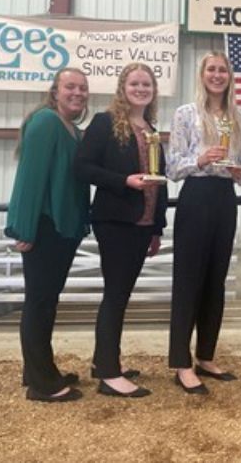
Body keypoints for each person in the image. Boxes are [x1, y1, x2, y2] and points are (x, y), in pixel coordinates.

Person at [75, 62, 167, 398]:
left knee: (121, 294)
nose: (141, 89)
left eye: (147, 84)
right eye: (135, 83)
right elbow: (82, 167)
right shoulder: (104, 123)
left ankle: (104, 361)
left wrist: (157, 227)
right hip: (115, 221)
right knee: (115, 294)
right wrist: (123, 182)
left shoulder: (150, 127)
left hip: (143, 225)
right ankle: (109, 375)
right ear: (122, 88)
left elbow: (160, 182)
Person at [166, 51, 241, 395]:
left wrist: (238, 171)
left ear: (230, 76)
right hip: (195, 195)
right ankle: (181, 363)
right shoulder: (186, 114)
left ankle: (205, 355)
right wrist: (200, 159)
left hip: (224, 197)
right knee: (189, 280)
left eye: (223, 70)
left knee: (216, 279)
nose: (217, 75)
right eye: (211, 69)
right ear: (201, 75)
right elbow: (172, 167)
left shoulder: (239, 118)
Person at [5, 68, 90, 403]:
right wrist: (23, 228)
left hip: (62, 227)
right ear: (55, 91)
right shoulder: (45, 122)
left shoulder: (74, 131)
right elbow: (29, 179)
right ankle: (42, 383)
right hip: (43, 226)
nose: (77, 93)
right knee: (39, 302)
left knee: (47, 301)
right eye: (70, 87)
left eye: (82, 88)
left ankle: (39, 368)